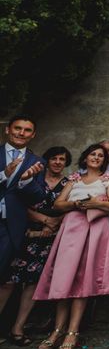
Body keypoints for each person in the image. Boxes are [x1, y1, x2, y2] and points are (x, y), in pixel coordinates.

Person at [33, 143, 109, 349]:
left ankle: (72, 331)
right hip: (71, 232)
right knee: (64, 279)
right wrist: (75, 204)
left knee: (82, 280)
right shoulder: (74, 179)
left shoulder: (108, 180)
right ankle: (57, 330)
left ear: (104, 161)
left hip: (93, 231)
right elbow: (58, 204)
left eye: (100, 155)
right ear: (85, 157)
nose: (97, 157)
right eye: (93, 154)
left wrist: (93, 204)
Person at [0, 146, 70, 346]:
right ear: (46, 160)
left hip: (48, 238)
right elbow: (18, 203)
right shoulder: (35, 177)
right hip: (22, 232)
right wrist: (44, 219)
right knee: (7, 280)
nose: (58, 162)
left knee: (33, 284)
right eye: (54, 158)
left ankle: (18, 328)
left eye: (62, 159)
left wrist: (52, 224)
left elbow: (70, 206)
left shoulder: (69, 183)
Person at [0, 115, 46, 281]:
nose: (21, 133)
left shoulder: (37, 162)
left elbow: (38, 197)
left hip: (9, 226)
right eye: (17, 128)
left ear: (33, 135)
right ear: (8, 130)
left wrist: (26, 181)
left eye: (27, 130)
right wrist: (4, 175)